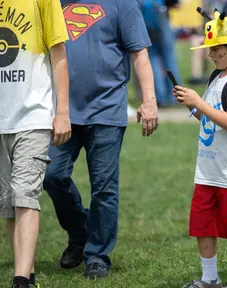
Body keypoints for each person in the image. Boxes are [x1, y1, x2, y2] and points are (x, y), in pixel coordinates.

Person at [42, 0, 158, 279]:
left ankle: (97, 255)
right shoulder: (51, 4)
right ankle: (80, 232)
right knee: (51, 175)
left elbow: (139, 54)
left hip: (106, 110)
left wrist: (150, 100)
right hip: (62, 111)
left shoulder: (123, 4)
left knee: (104, 188)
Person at [174, 11, 227, 288]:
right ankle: (209, 278)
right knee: (203, 226)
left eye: (216, 49)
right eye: (209, 50)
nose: (211, 55)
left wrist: (200, 102)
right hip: (207, 170)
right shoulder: (216, 77)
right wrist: (192, 105)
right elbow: (210, 119)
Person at [0, 0, 71, 287]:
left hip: (33, 116)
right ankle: (26, 272)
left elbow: (59, 54)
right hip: (2, 118)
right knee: (8, 203)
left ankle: (20, 281)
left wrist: (62, 110)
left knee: (24, 195)